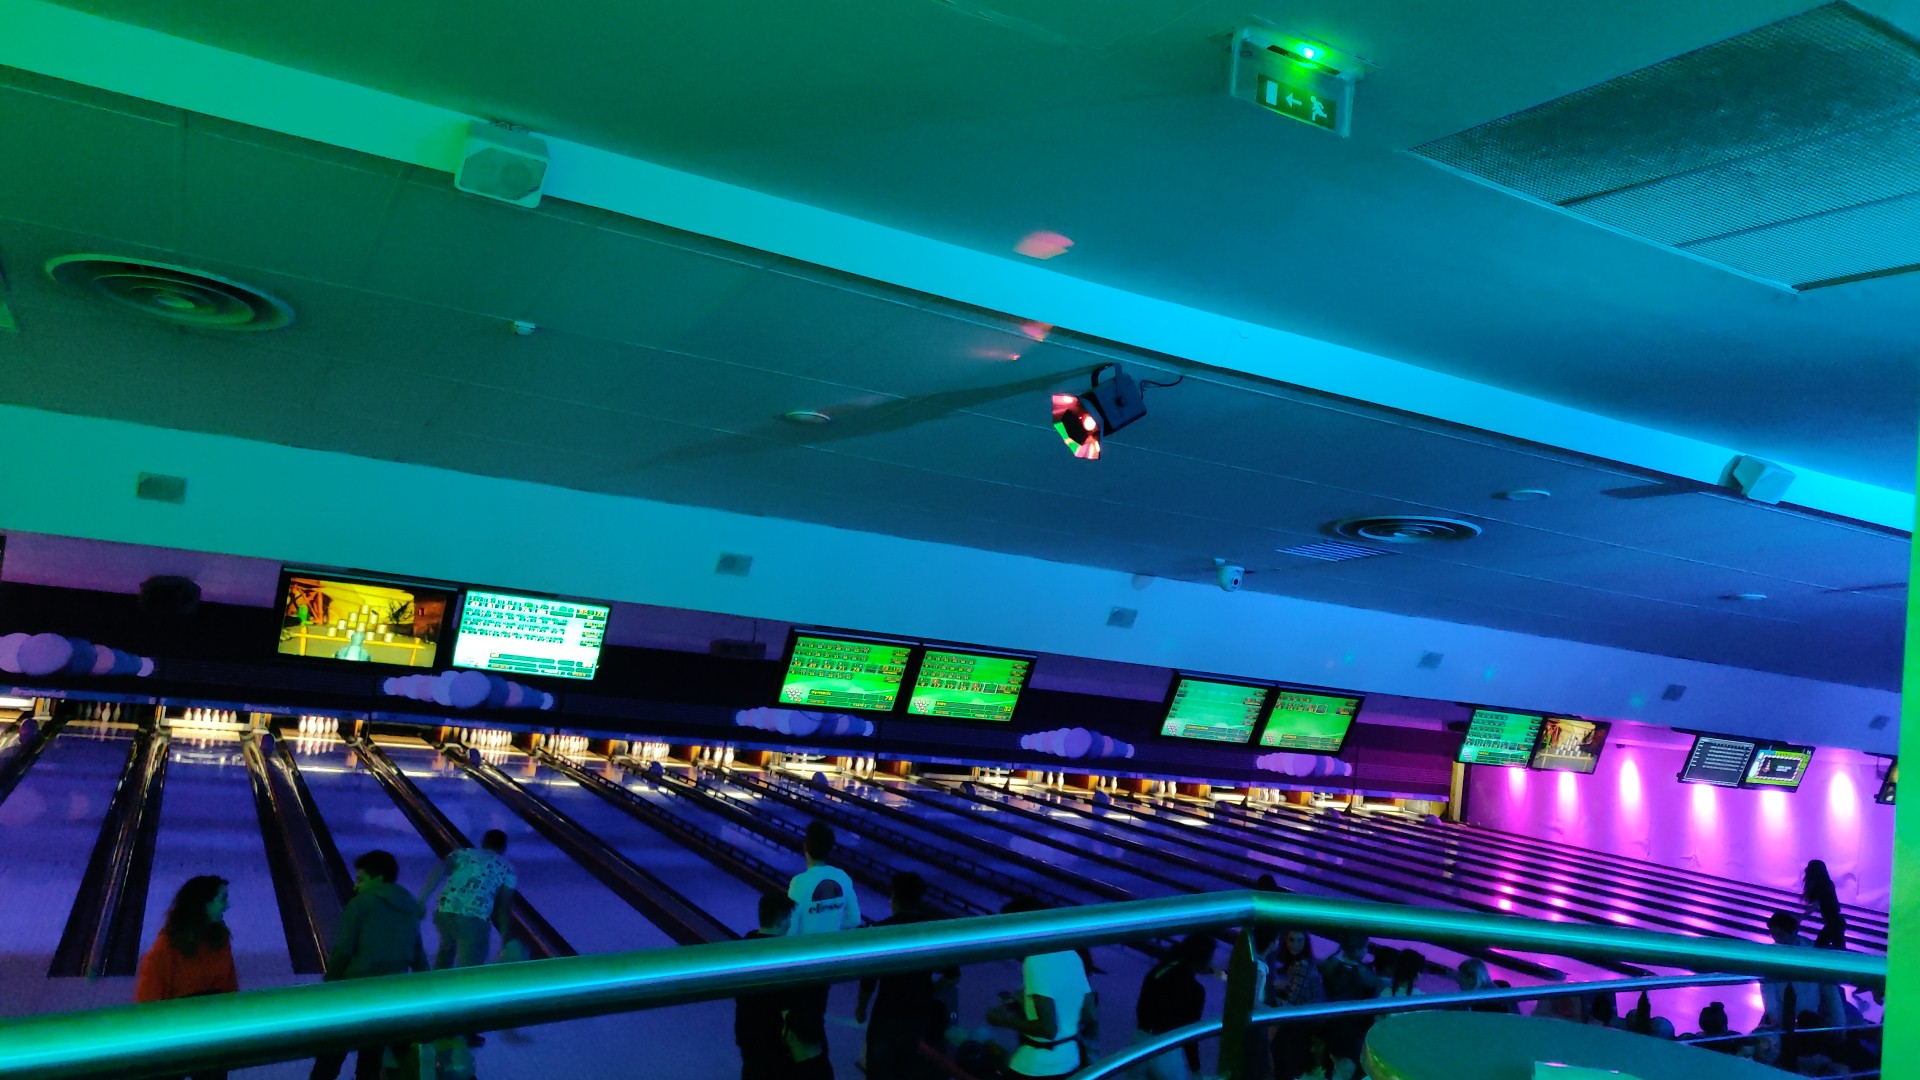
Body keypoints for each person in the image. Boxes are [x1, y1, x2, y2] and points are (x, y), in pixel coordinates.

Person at [311, 851, 429, 1080]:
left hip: (354, 992)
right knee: (371, 1060)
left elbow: (343, 950)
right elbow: (418, 954)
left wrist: (329, 983)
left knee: (330, 1056)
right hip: (389, 995)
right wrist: (428, 988)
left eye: (361, 879)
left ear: (379, 878)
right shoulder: (410, 907)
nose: (356, 886)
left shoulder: (361, 904)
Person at [136, 876, 240, 1080]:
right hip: (173, 1034)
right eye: (222, 899)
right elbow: (148, 998)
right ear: (203, 904)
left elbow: (229, 987)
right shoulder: (167, 945)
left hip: (211, 1032)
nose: (227, 905)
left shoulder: (221, 939)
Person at [855, 872, 955, 1080]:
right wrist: (929, 990)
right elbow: (952, 976)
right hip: (920, 1014)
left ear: (894, 897)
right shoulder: (932, 930)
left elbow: (868, 981)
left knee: (880, 1071)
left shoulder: (881, 930)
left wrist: (861, 1009)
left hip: (887, 1014)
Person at [988, 898, 1095, 1080]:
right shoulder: (1072, 954)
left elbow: (1047, 1029)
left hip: (1037, 1066)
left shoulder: (1035, 960)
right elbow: (1088, 1013)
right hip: (1071, 1060)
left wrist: (1003, 1020)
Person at [786, 822, 861, 1074]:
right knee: (816, 1015)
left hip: (802, 963)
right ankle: (820, 1069)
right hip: (828, 961)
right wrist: (830, 925)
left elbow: (791, 928)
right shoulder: (842, 878)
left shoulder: (799, 882)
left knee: (800, 1021)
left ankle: (810, 1069)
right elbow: (853, 920)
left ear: (805, 847)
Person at [1758, 911, 1847, 1068]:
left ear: (1794, 932)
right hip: (1781, 1018)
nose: (1776, 939)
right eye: (1773, 934)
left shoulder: (1813, 952)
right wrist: (1773, 1016)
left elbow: (1830, 991)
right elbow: (1767, 989)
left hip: (1809, 1020)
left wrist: (1839, 1022)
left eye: (1780, 934)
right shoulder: (1769, 954)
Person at [419, 829, 516, 969]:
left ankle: (437, 980)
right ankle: (462, 982)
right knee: (469, 966)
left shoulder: (462, 853)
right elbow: (503, 907)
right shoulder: (507, 868)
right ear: (504, 847)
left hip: (445, 912)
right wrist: (505, 937)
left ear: (483, 843)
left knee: (445, 953)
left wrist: (422, 899)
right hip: (474, 917)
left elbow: (438, 872)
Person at [1131, 934, 1213, 1080]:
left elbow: (1141, 1008)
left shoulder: (1159, 970)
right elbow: (1189, 1034)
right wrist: (1195, 1069)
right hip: (1166, 1048)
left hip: (1140, 1041)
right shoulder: (1195, 990)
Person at [737, 893, 798, 1080]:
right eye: (789, 917)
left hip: (746, 1027)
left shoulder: (744, 944)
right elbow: (786, 1002)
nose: (790, 923)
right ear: (781, 920)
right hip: (773, 1032)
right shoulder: (782, 955)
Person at [1316, 933, 1380, 1069]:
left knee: (1330, 1065)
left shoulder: (1330, 965)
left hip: (1330, 1023)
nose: (1367, 951)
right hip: (1353, 1030)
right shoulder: (1365, 974)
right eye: (1366, 947)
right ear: (1357, 949)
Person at [1269, 929, 1323, 1080]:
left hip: (1308, 1017)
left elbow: (1292, 1001)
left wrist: (1270, 998)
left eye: (1300, 941)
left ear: (1306, 943)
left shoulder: (1303, 965)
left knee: (1279, 1047)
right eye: (1292, 940)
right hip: (1303, 1012)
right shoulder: (1298, 963)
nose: (1295, 945)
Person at [1803, 859, 1848, 950]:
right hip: (1835, 922)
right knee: (1836, 948)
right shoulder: (1826, 883)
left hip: (1834, 923)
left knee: (1820, 947)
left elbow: (1815, 905)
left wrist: (1800, 918)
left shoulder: (1824, 885)